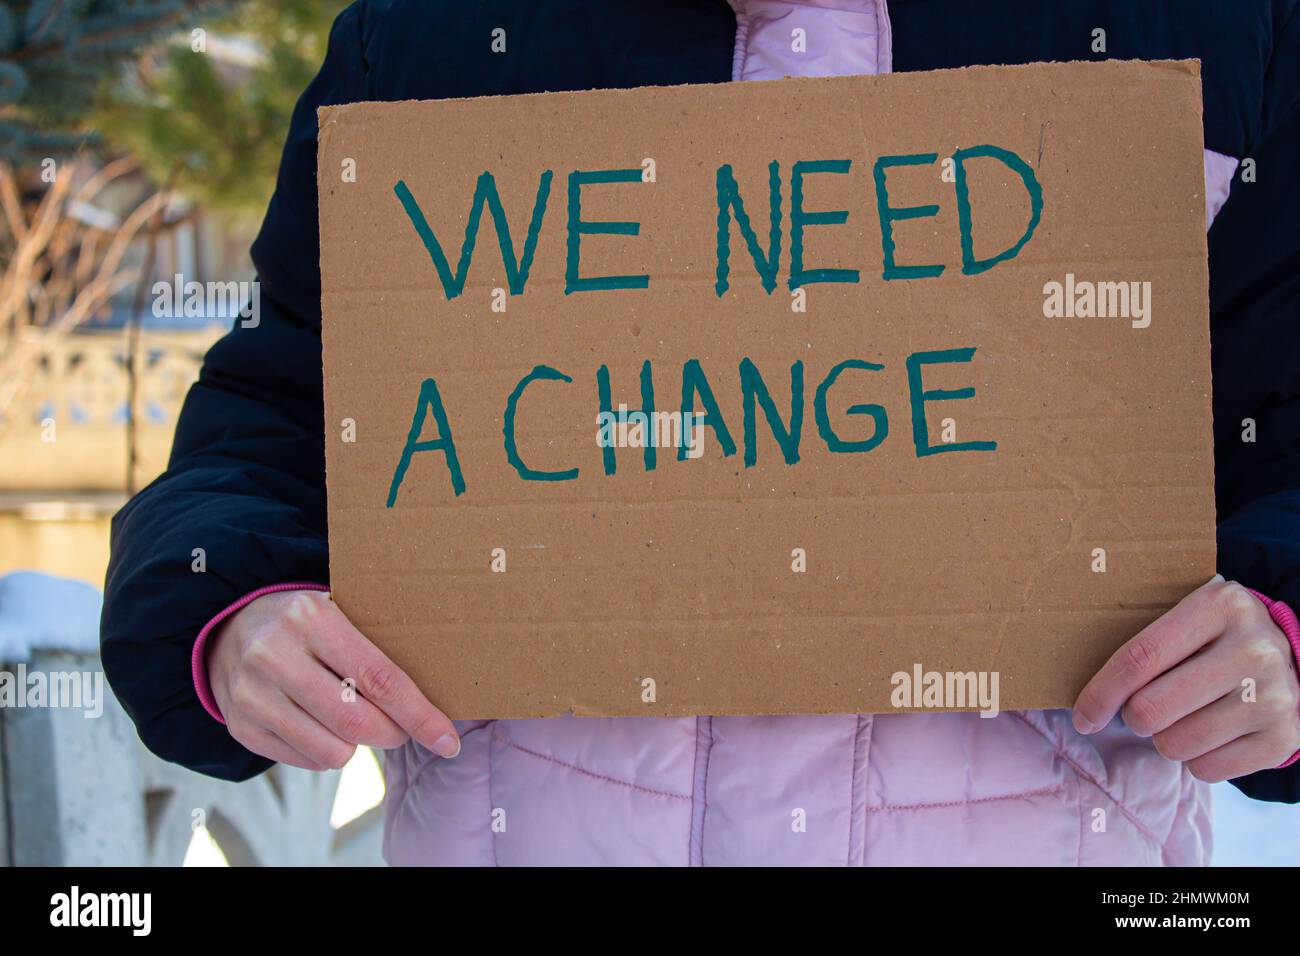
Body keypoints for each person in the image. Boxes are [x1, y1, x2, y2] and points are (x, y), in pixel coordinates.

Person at [101, 0, 1300, 865]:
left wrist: (1282, 640)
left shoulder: (1213, 32)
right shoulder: (428, 40)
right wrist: (235, 617)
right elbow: (266, 430)